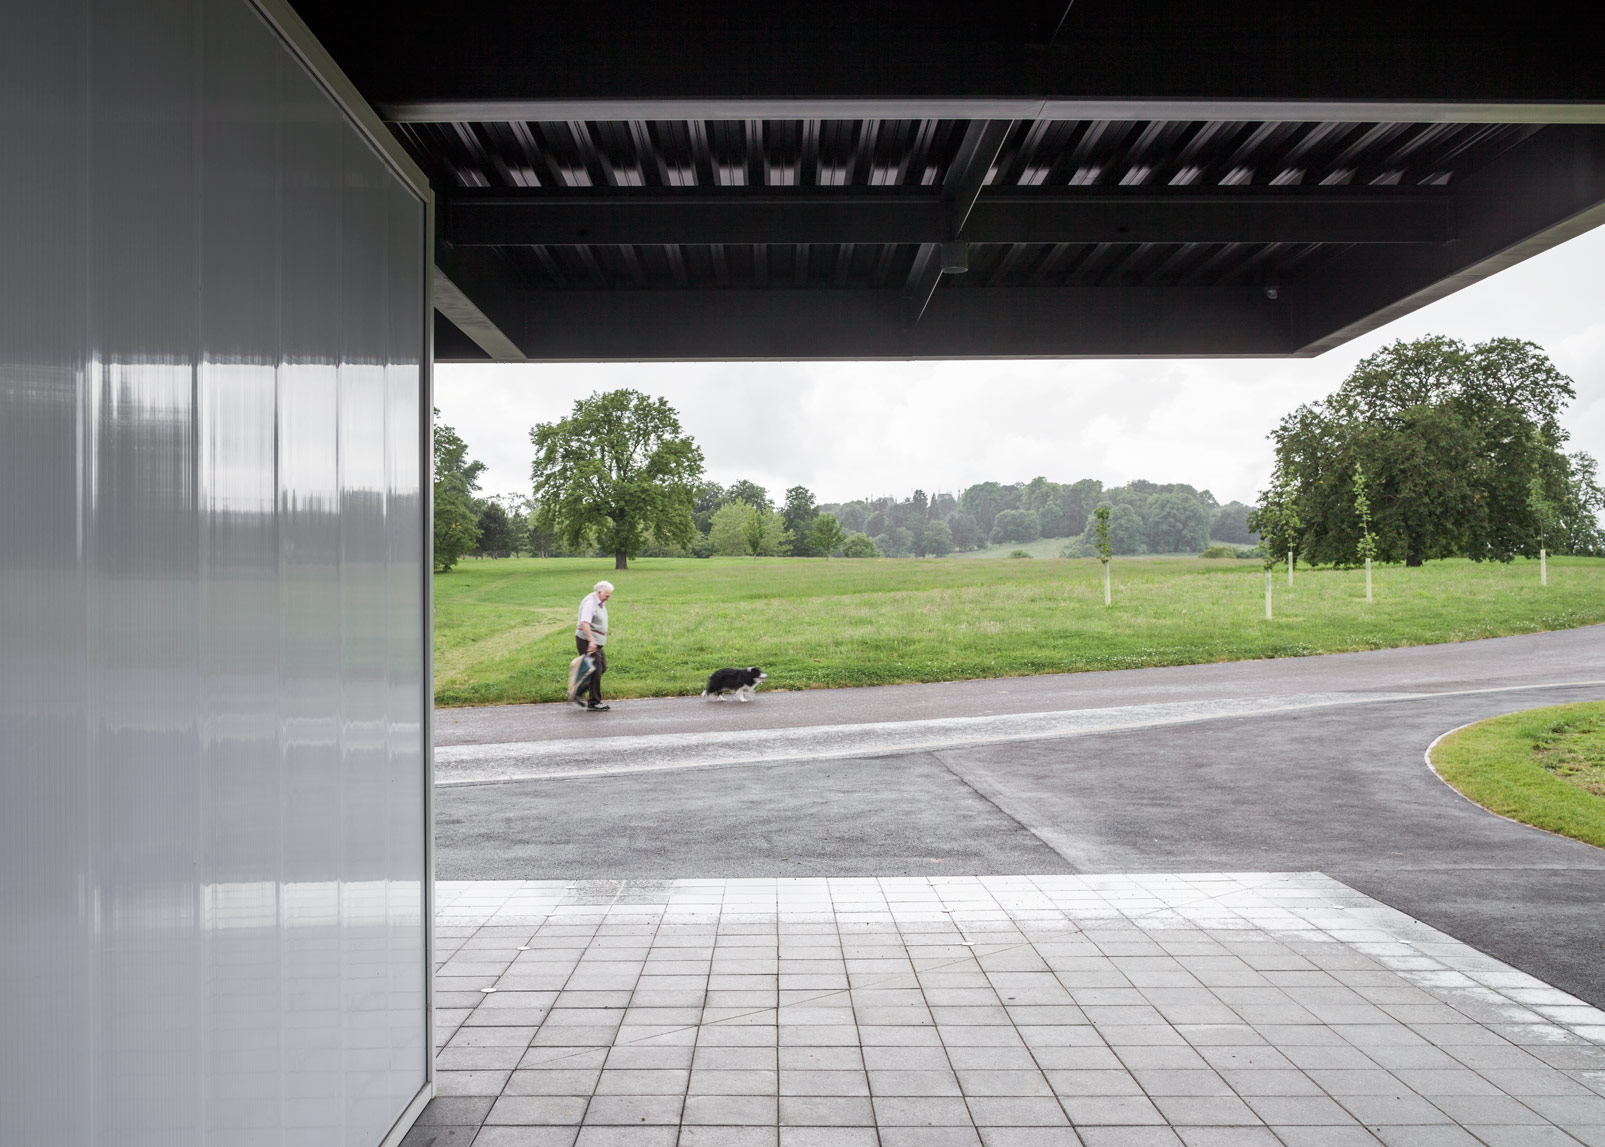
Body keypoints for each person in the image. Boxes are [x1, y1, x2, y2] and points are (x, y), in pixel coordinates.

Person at [574, 580, 613, 711]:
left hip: (595, 641)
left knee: (602, 668)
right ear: (599, 592)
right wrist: (591, 641)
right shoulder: (590, 603)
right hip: (587, 640)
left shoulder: (599, 602)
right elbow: (584, 623)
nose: (608, 597)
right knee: (595, 669)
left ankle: (577, 691)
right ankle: (594, 702)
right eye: (607, 595)